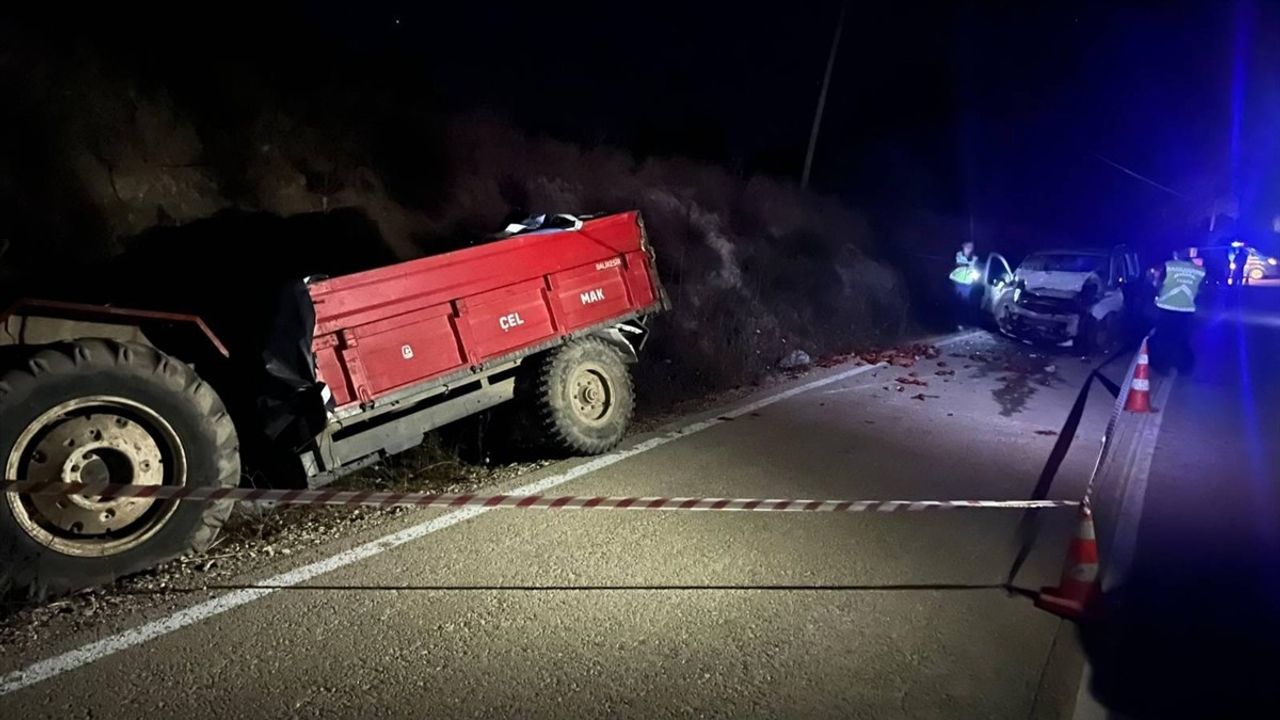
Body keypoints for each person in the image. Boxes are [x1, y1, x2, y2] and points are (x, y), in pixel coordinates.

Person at [1151, 251, 1206, 374]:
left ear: (1176, 255)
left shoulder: (1169, 266)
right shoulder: (1200, 270)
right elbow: (1202, 290)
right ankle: (1184, 368)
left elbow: (1158, 283)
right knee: (1182, 340)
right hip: (1186, 309)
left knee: (1163, 339)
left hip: (1166, 307)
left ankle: (1162, 366)